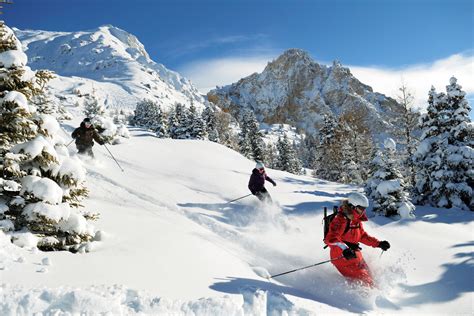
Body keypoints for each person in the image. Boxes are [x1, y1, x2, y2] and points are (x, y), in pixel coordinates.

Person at [324, 192, 390, 287]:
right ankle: (364, 301)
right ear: (352, 206)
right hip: (343, 259)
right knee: (367, 284)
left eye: (364, 209)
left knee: (372, 279)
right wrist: (345, 249)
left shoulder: (355, 220)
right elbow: (331, 239)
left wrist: (378, 244)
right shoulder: (340, 220)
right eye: (361, 208)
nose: (363, 211)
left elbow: (362, 236)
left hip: (356, 256)